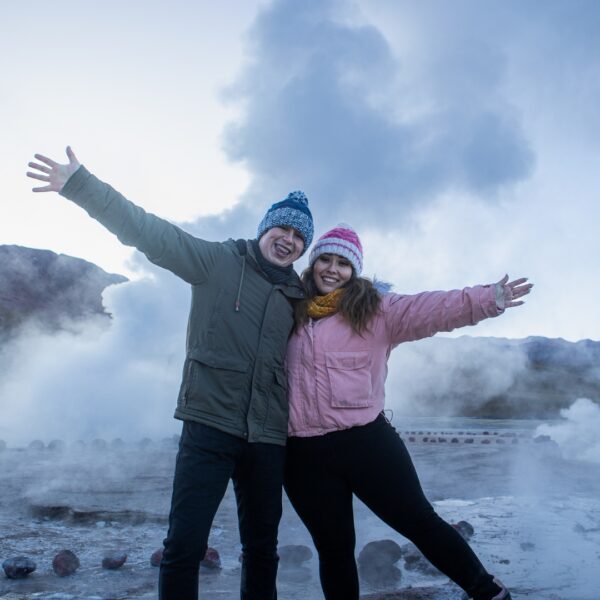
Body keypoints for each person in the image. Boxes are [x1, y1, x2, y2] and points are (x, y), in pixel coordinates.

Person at [26, 147, 314, 600]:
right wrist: (81, 186)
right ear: (265, 228)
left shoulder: (300, 295)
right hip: (208, 428)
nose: (289, 239)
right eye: (282, 227)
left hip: (267, 438)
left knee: (262, 549)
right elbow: (149, 232)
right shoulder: (216, 262)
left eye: (300, 236)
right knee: (184, 546)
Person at [283, 224, 532, 600]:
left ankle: (487, 591)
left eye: (343, 263)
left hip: (365, 443)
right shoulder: (288, 308)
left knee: (420, 522)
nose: (332, 269)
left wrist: (487, 298)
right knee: (333, 549)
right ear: (313, 264)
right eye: (325, 260)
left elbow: (432, 309)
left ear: (355, 271)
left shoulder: (377, 310)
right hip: (302, 454)